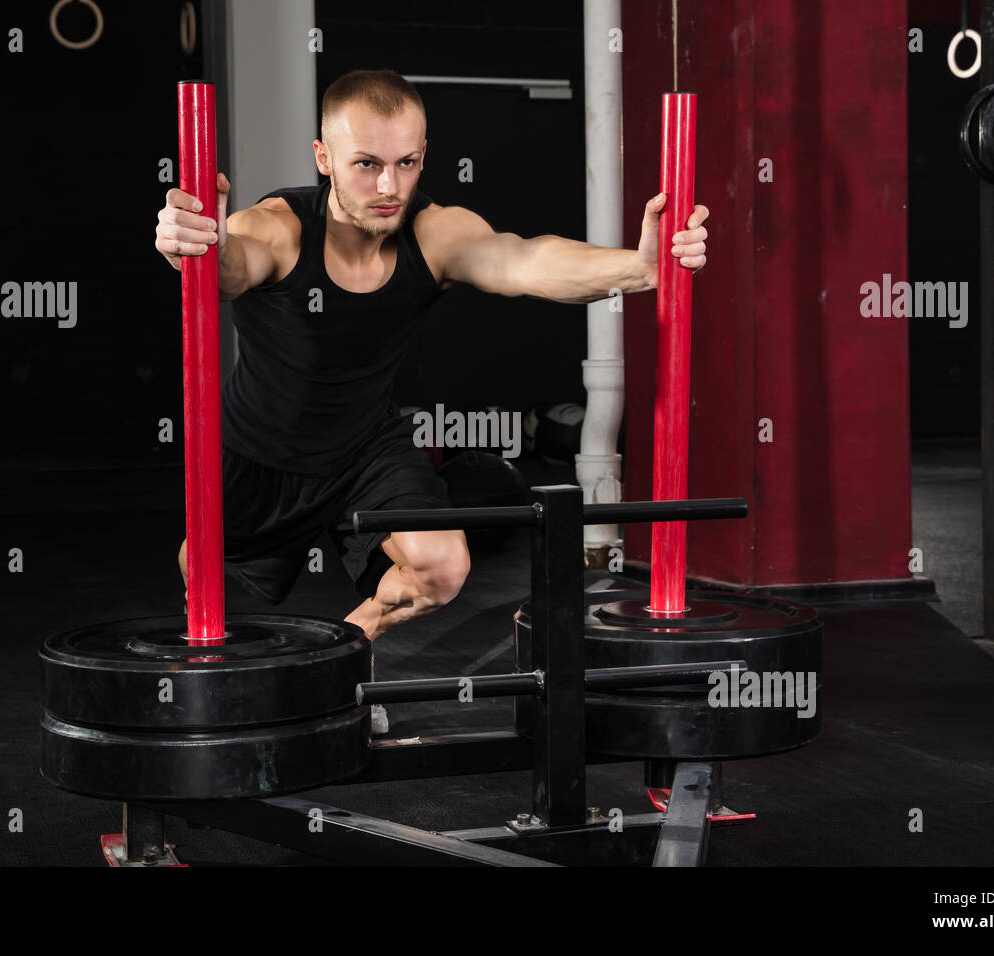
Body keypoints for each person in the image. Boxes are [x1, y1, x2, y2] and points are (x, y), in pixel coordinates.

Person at [155, 69, 708, 721]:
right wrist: (194, 245)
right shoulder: (280, 226)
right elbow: (229, 266)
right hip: (258, 450)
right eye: (366, 164)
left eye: (406, 162)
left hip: (366, 450)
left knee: (442, 567)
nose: (389, 187)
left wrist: (637, 268)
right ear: (323, 158)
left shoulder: (433, 232)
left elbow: (524, 261)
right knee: (204, 580)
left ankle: (335, 667)